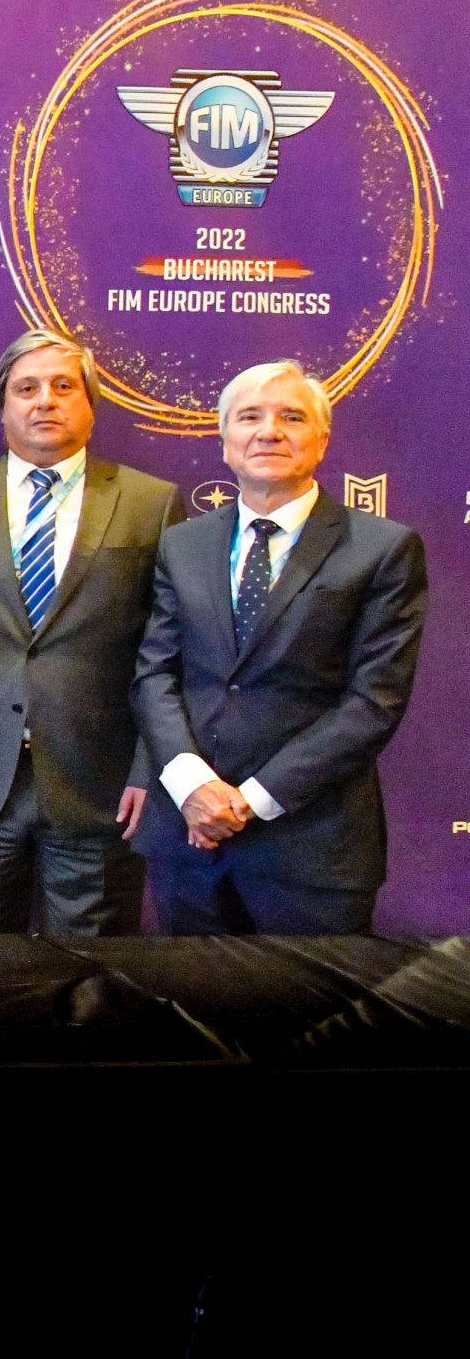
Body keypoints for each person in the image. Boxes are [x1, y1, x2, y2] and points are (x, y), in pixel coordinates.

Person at [0, 330, 184, 935]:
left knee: (91, 973)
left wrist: (149, 771)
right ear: (3, 408)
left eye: (63, 386)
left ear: (91, 405)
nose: (45, 401)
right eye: (26, 388)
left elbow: (167, 655)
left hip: (101, 788)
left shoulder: (151, 503)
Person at [131, 359, 426, 934]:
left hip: (312, 847)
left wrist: (248, 801)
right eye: (249, 417)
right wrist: (192, 786)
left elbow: (374, 702)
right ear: (225, 442)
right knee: (188, 994)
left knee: (309, 998)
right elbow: (155, 675)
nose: (269, 431)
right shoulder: (182, 544)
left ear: (322, 440)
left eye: (291, 417)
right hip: (188, 840)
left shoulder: (383, 549)